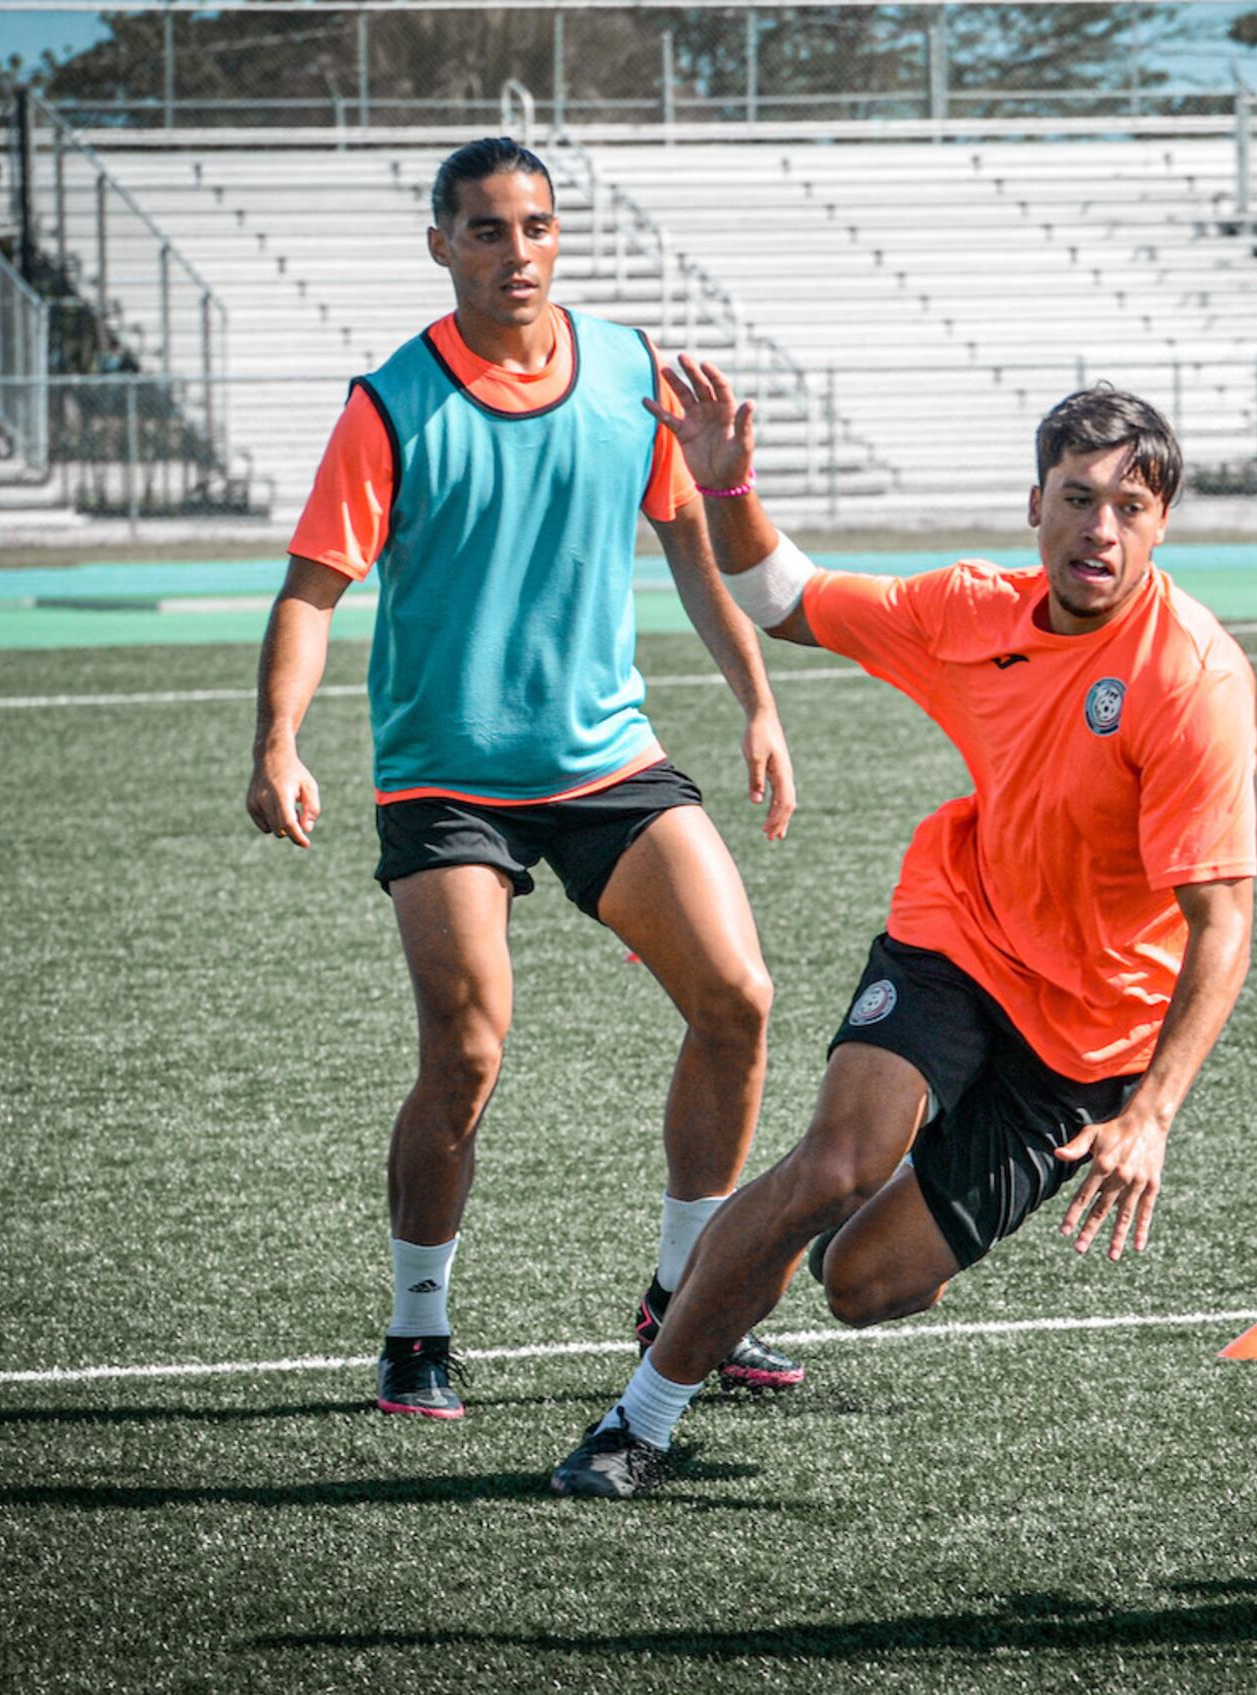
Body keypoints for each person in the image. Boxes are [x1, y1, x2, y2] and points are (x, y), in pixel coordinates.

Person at [549, 368, 1257, 1498]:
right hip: (961, 933)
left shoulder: (1193, 682)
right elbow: (786, 597)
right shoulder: (973, 611)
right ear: (1036, 507)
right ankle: (638, 1420)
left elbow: (1221, 923)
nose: (1100, 528)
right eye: (1077, 497)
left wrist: (1152, 1115)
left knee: (864, 1283)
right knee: (835, 1162)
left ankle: (824, 1240)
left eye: (1130, 506)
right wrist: (729, 490)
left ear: (1161, 523)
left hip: (1089, 1034)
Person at [245, 138, 807, 1423]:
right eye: (487, 231)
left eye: (537, 227)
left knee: (738, 997)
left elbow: (688, 548)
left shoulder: (626, 373)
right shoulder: (390, 405)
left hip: (604, 760)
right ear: (439, 245)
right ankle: (417, 1328)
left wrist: (758, 702)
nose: (517, 253)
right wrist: (277, 740)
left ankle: (687, 1303)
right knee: (468, 1050)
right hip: (444, 777)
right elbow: (310, 593)